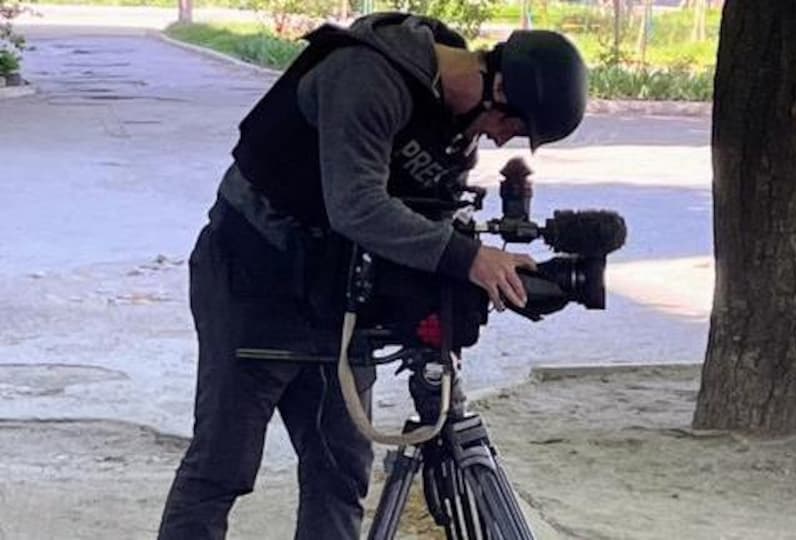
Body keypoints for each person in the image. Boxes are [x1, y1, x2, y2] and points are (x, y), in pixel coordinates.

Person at [157, 11, 588, 540]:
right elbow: (356, 206)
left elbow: (426, 219)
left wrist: (488, 267)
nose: (503, 141)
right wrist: (467, 259)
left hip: (339, 295)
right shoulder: (367, 76)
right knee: (222, 467)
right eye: (513, 126)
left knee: (340, 473)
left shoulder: (456, 132)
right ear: (497, 86)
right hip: (253, 279)